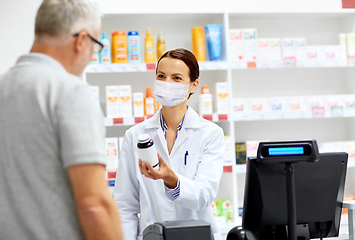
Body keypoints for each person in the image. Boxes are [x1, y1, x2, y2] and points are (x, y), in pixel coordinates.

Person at [0, 1, 123, 240]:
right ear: (81, 41)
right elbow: (94, 206)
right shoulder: (69, 91)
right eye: (95, 47)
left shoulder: (4, 87)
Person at [114, 48, 225, 240]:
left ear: (193, 85)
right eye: (161, 76)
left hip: (196, 236)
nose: (167, 83)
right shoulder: (134, 136)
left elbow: (204, 195)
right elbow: (125, 206)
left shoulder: (211, 134)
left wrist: (172, 180)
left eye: (176, 78)